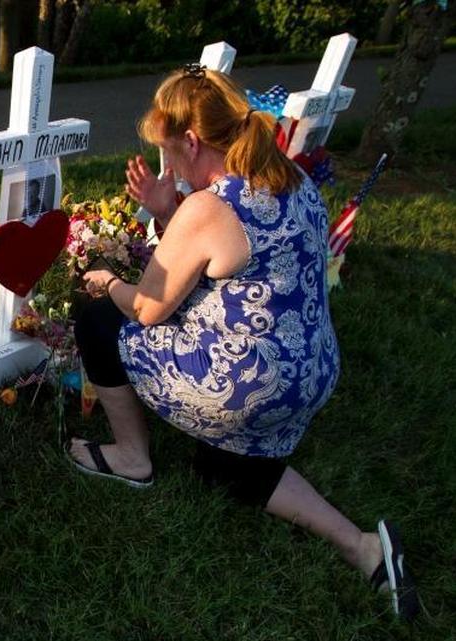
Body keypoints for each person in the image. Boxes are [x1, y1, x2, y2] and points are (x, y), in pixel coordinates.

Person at [68, 65, 420, 619]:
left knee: (99, 321)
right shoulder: (290, 177)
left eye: (169, 153)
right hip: (308, 374)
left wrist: (108, 282)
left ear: (191, 141)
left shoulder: (212, 206)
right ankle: (365, 548)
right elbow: (226, 267)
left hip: (247, 385)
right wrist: (166, 212)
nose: (170, 167)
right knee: (222, 468)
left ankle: (133, 457)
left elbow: (149, 306)